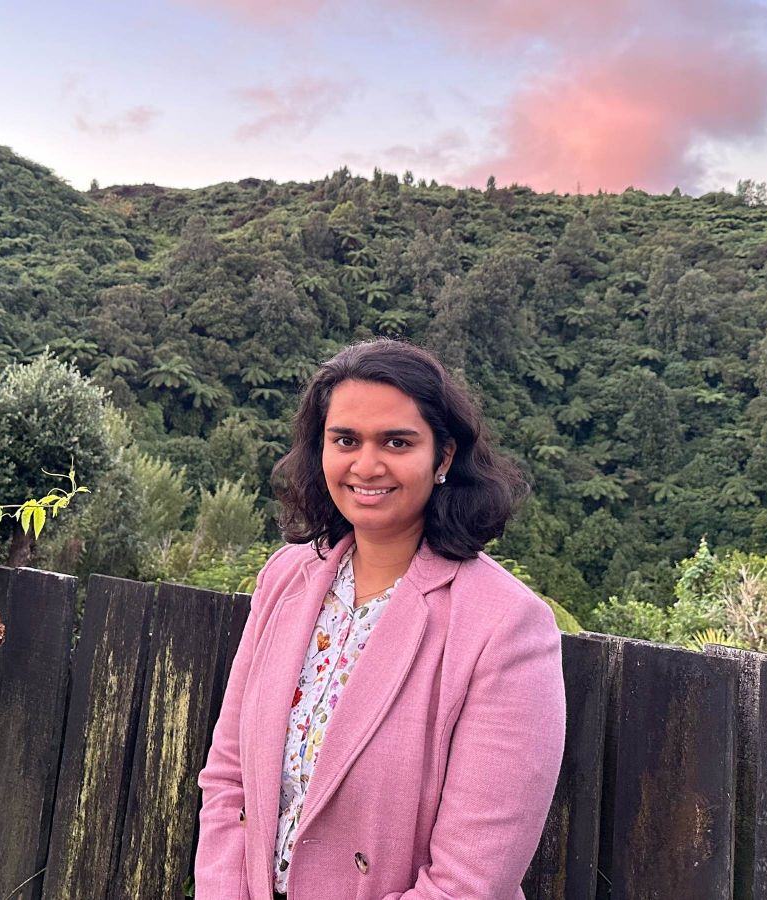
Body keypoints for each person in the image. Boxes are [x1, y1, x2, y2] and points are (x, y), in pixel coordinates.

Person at [194, 339, 567, 900]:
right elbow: (228, 779)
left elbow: (468, 883)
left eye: (397, 441)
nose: (366, 466)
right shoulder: (286, 579)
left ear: (442, 457)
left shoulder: (506, 626)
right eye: (345, 440)